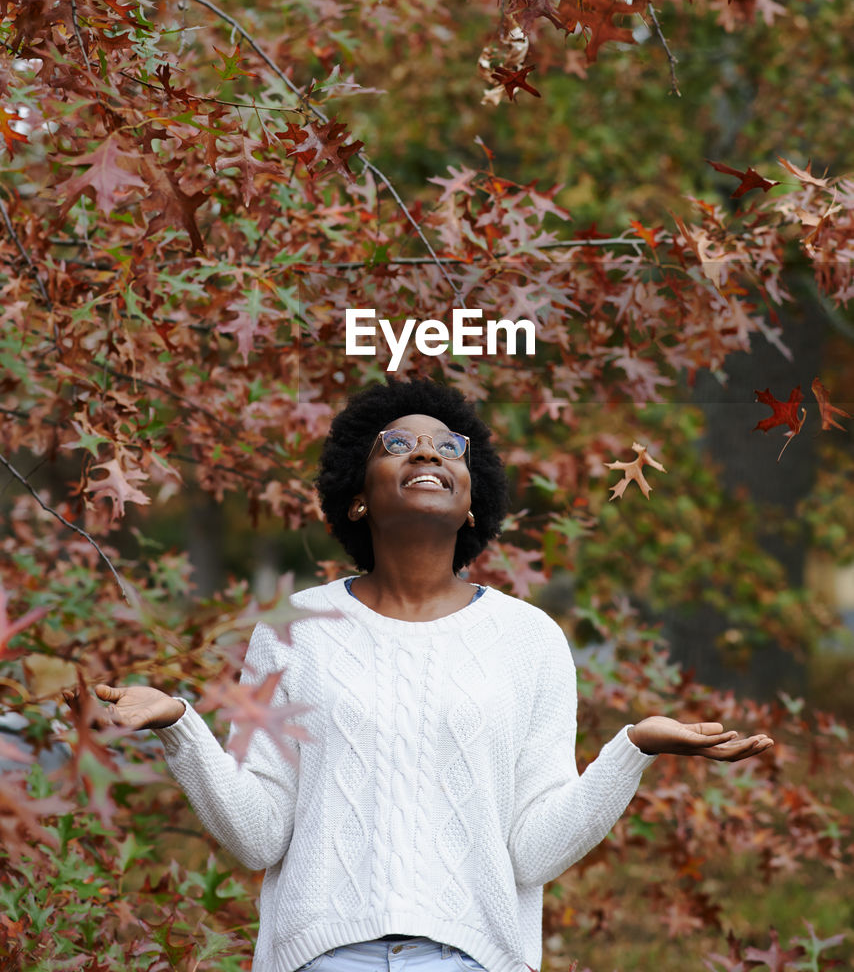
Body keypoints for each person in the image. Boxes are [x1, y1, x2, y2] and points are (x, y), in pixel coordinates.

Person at [86, 379, 774, 972]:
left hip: (474, 955)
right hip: (324, 955)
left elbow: (533, 853)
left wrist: (633, 750)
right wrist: (182, 728)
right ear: (357, 497)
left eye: (451, 448)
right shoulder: (292, 627)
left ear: (473, 501)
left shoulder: (529, 639)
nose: (427, 452)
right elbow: (259, 835)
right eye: (396, 444)